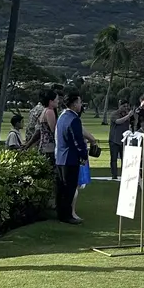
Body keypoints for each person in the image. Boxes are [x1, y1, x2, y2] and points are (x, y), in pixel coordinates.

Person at [54, 89, 89, 224]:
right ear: (74, 104)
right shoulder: (74, 119)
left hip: (60, 157)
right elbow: (77, 140)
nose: (81, 105)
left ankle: (61, 213)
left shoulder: (62, 117)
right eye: (79, 102)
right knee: (69, 188)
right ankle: (67, 215)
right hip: (70, 158)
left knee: (61, 188)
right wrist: (83, 154)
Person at [108, 103, 132, 180]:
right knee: (114, 159)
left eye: (126, 106)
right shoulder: (114, 114)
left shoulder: (127, 114)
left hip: (124, 140)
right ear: (119, 106)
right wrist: (128, 116)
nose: (125, 108)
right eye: (123, 106)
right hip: (114, 140)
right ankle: (114, 175)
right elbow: (118, 121)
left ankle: (124, 174)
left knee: (124, 159)